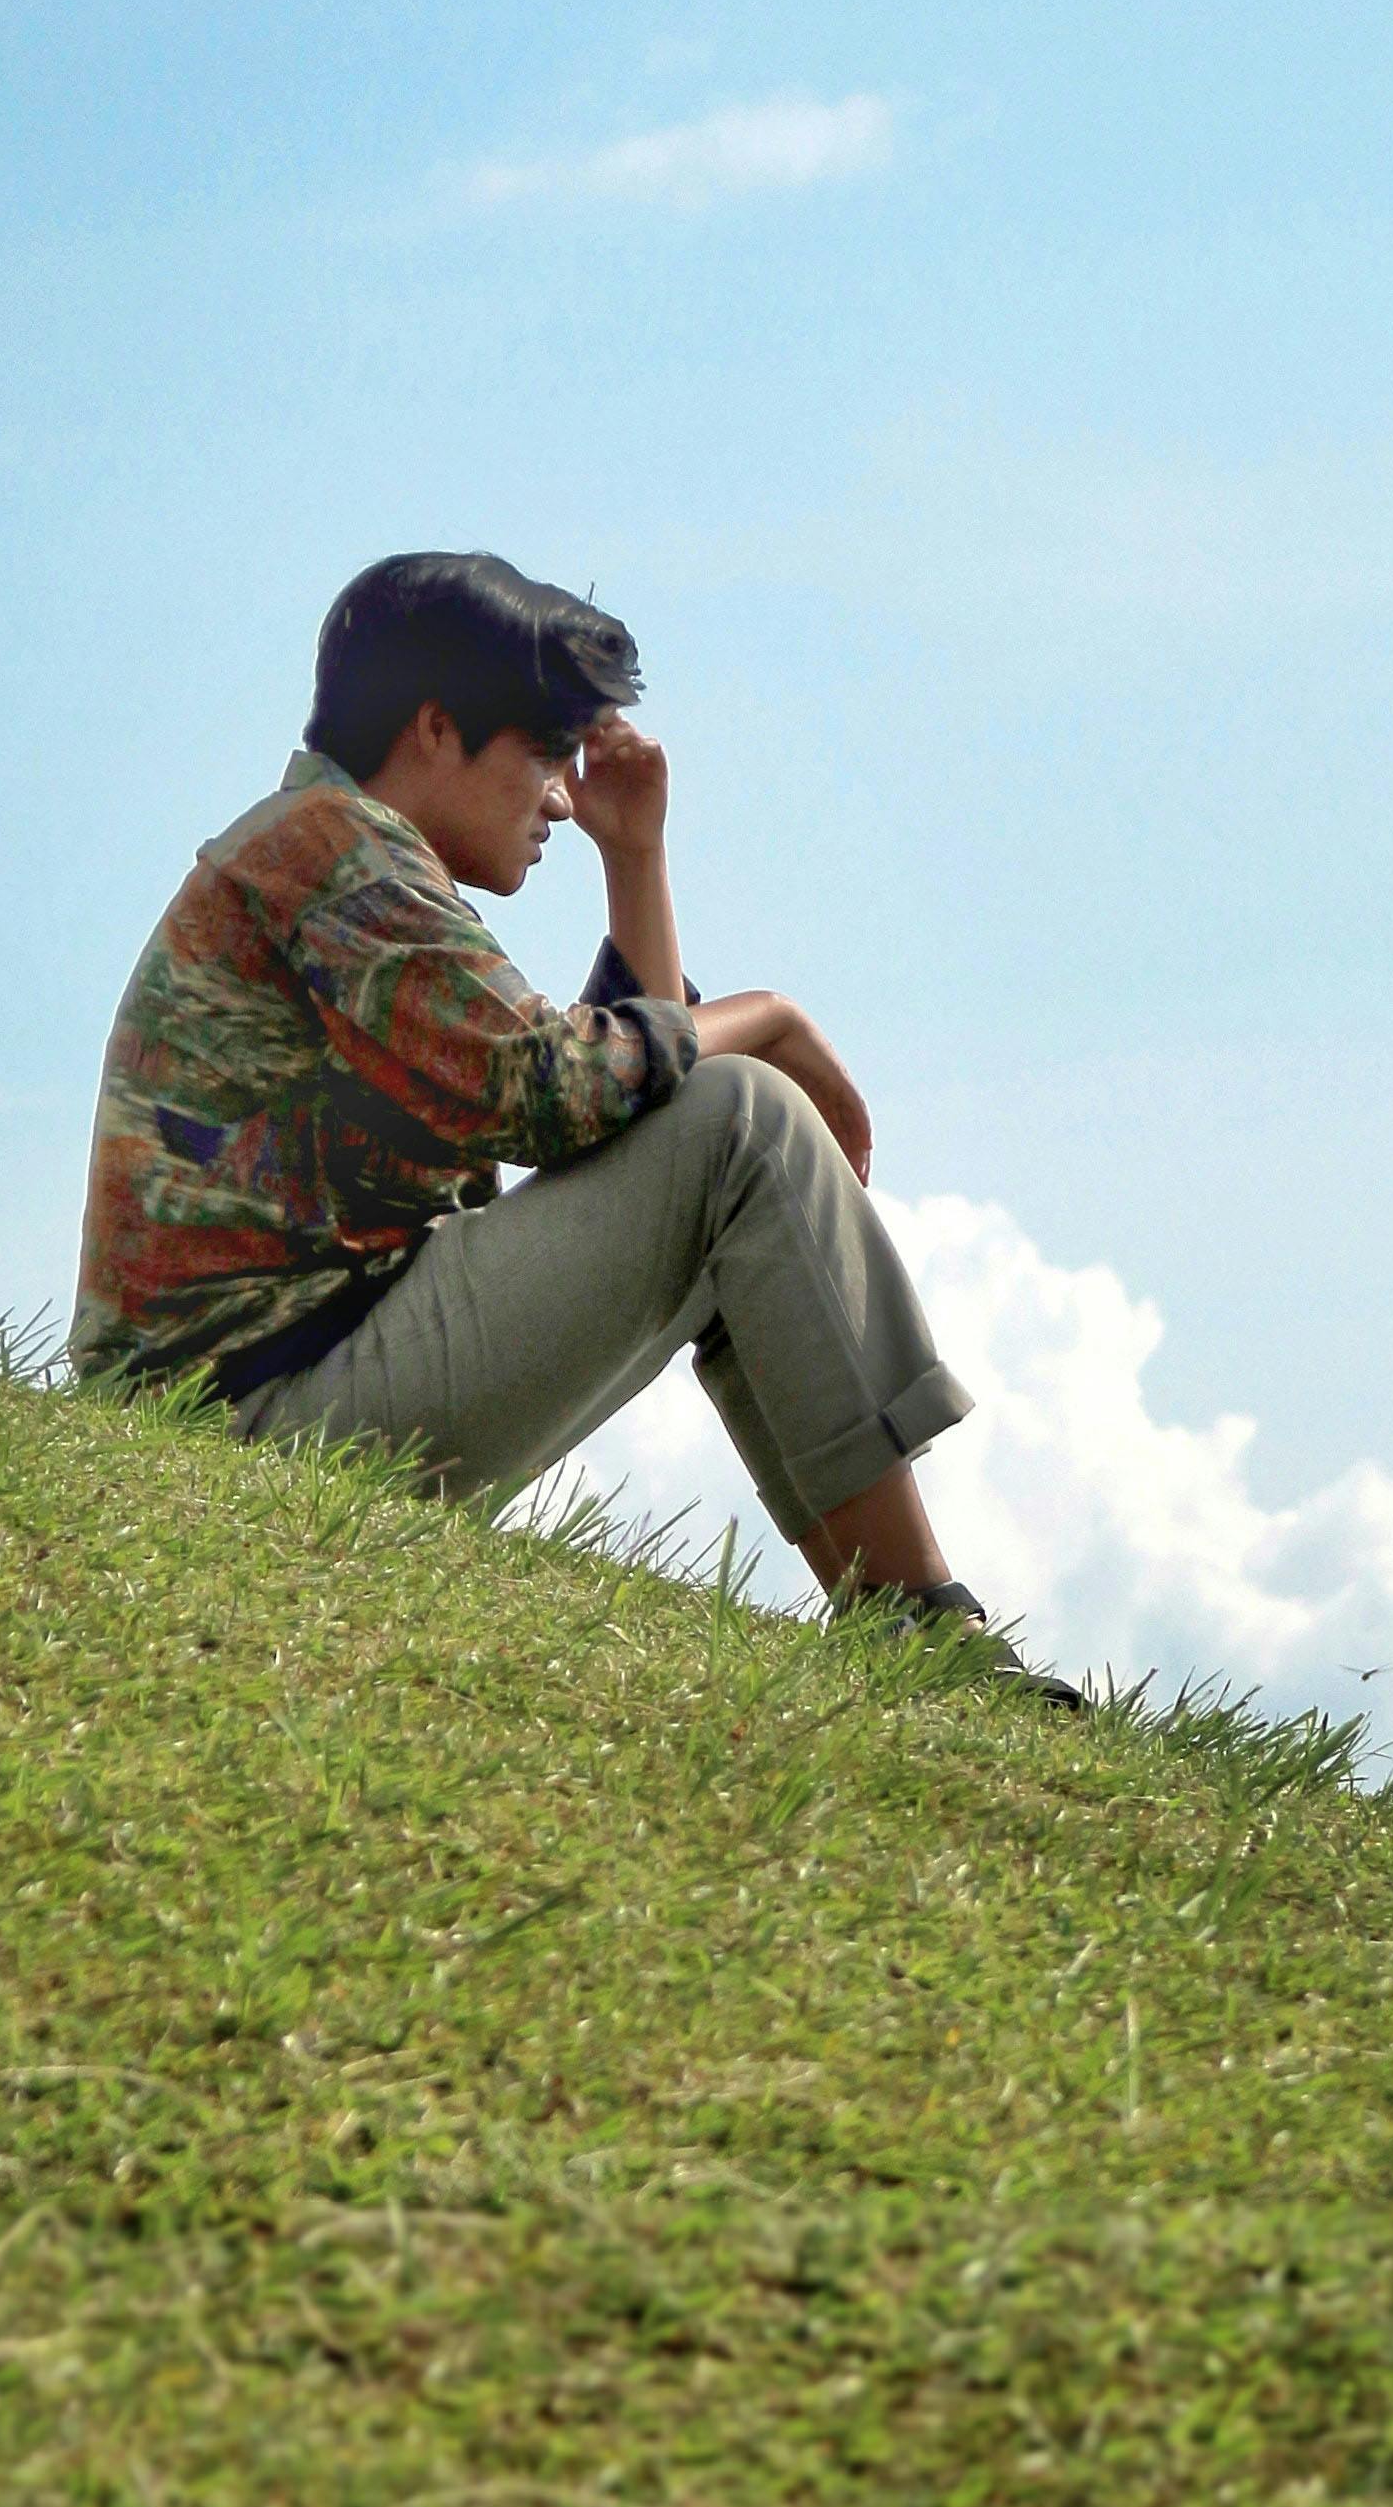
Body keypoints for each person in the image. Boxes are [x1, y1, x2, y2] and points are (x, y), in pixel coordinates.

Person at [71, 546, 1074, 1692]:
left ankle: (908, 1623)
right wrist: (774, 1018)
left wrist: (635, 853)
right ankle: (918, 1624)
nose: (559, 796)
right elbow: (553, 1086)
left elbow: (613, 1107)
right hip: (239, 1428)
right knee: (742, 1112)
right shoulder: (333, 846)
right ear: (436, 728)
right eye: (544, 755)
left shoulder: (335, 845)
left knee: (719, 1119)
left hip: (281, 1394)